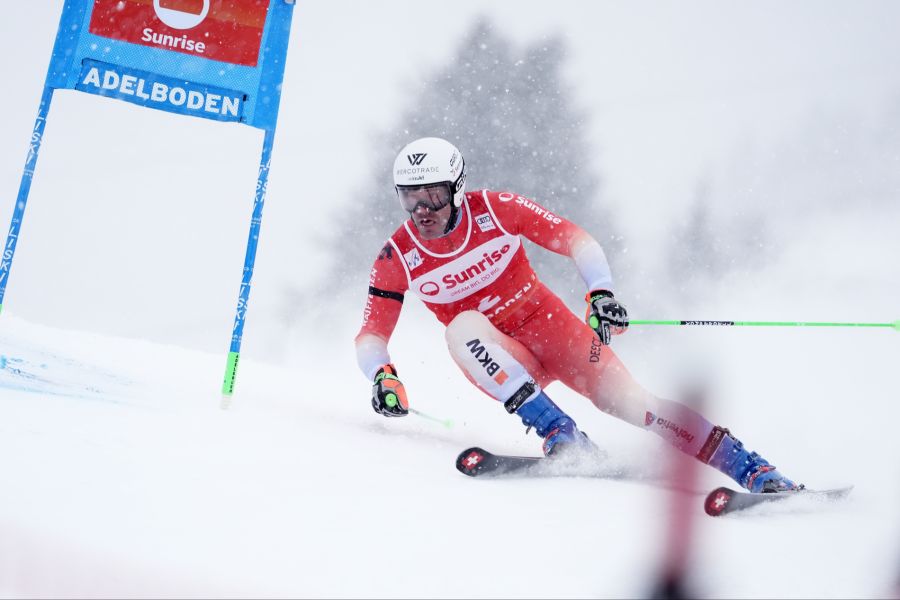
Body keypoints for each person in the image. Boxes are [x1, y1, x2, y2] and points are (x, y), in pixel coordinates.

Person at [354, 136, 799, 493]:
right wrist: (382, 374)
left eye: (432, 195)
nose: (421, 211)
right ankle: (562, 436)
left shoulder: (494, 209)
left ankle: (754, 471)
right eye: (409, 199)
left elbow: (576, 239)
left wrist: (601, 293)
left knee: (636, 405)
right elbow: (371, 334)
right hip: (505, 359)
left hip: (554, 332)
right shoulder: (398, 255)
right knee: (461, 328)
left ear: (456, 188)